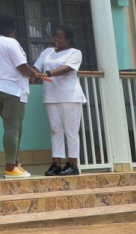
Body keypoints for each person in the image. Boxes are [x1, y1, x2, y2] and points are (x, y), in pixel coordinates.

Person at [0, 15, 47, 178]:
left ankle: (16, 164)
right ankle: (10, 168)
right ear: (11, 29)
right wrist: (35, 74)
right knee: (13, 127)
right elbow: (22, 67)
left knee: (15, 127)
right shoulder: (11, 43)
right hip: (12, 90)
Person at [35, 24, 86, 176]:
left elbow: (67, 68)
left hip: (69, 96)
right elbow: (37, 67)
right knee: (56, 130)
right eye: (55, 36)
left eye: (60, 37)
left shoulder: (75, 53)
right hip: (51, 96)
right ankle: (56, 163)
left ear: (68, 39)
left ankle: (72, 164)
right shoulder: (46, 52)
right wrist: (35, 73)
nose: (56, 39)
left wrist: (48, 73)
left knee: (71, 131)